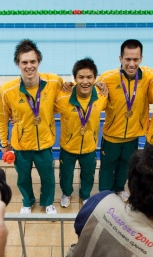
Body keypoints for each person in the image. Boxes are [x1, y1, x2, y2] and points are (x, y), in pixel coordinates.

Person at [0, 39, 64, 214]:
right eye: (24, 62)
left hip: (44, 142)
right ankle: (28, 201)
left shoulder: (54, 81)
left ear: (39, 62)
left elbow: (66, 93)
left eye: (32, 61)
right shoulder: (7, 90)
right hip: (21, 144)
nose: (29, 66)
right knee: (23, 178)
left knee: (48, 178)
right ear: (18, 64)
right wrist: (4, 144)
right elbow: (2, 118)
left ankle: (47, 202)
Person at [97, 39, 153, 199]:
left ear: (141, 59)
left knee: (126, 165)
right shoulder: (107, 78)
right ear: (120, 59)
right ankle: (104, 193)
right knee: (107, 167)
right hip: (111, 135)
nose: (131, 64)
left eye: (135, 59)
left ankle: (120, 188)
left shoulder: (149, 77)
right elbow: (95, 102)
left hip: (133, 134)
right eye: (128, 59)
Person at [54, 57, 108, 208]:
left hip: (89, 147)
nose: (85, 81)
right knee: (66, 174)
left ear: (95, 78)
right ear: (75, 78)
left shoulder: (102, 96)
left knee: (88, 175)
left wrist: (101, 85)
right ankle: (66, 193)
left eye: (89, 77)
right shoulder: (63, 98)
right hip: (68, 146)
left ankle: (85, 195)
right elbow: (45, 109)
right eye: (81, 77)